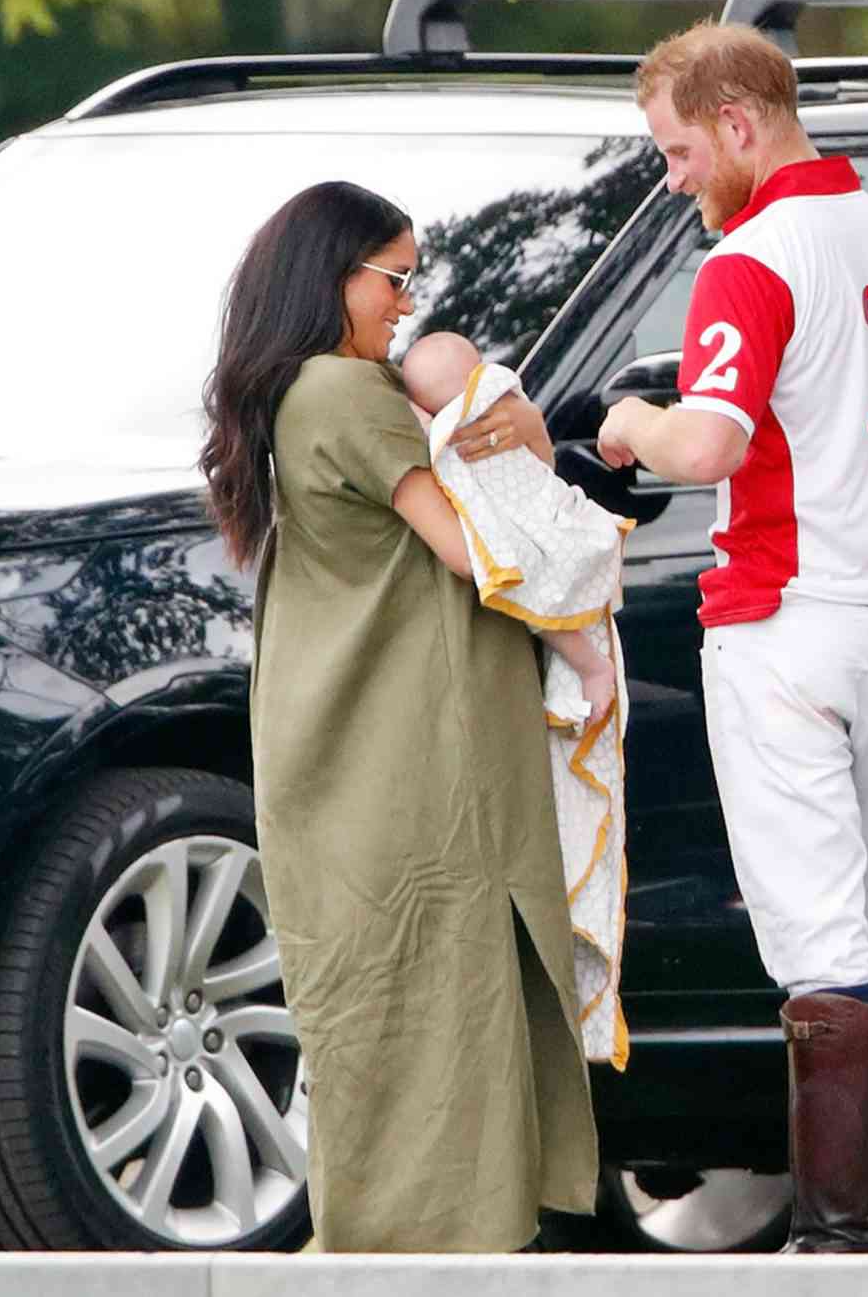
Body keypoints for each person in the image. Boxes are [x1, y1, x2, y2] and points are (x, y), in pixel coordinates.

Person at [597, 23, 868, 1254]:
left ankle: (840, 1236)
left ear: (738, 124)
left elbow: (711, 444)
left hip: (783, 625)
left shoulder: (752, 259)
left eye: (681, 150)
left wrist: (634, 420)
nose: (676, 176)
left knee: (815, 940)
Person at [199, 181, 597, 1253]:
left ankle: (387, 1252)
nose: (405, 304)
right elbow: (480, 551)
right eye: (393, 278)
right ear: (332, 277)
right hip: (414, 761)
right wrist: (529, 459)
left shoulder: (292, 396)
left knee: (379, 1027)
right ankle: (431, 1259)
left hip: (345, 761)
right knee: (444, 1022)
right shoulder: (348, 393)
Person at [403, 328, 636, 1068]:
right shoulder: (426, 434)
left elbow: (503, 531)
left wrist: (527, 430)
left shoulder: (493, 421)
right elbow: (487, 547)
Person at [403, 330, 618, 733]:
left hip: (537, 531)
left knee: (539, 593)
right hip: (557, 521)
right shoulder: (506, 396)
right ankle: (588, 672)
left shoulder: (461, 423)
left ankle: (592, 668)